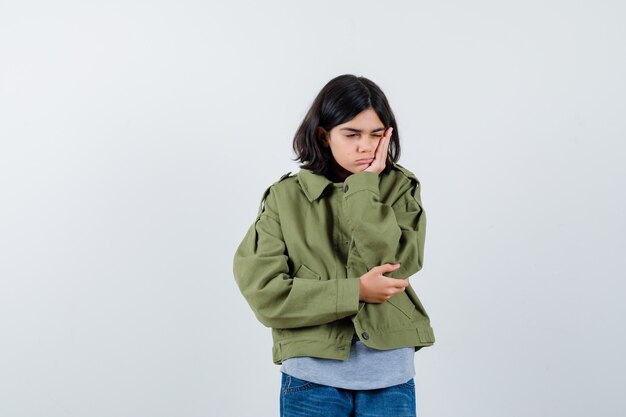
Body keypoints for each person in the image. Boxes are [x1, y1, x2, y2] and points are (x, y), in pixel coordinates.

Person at [232, 74, 435, 417]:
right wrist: (355, 291)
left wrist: (365, 186)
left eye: (376, 134)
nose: (365, 146)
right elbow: (266, 294)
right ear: (324, 135)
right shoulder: (285, 198)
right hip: (311, 377)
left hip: (390, 377)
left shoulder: (400, 189)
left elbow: (391, 264)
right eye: (351, 134)